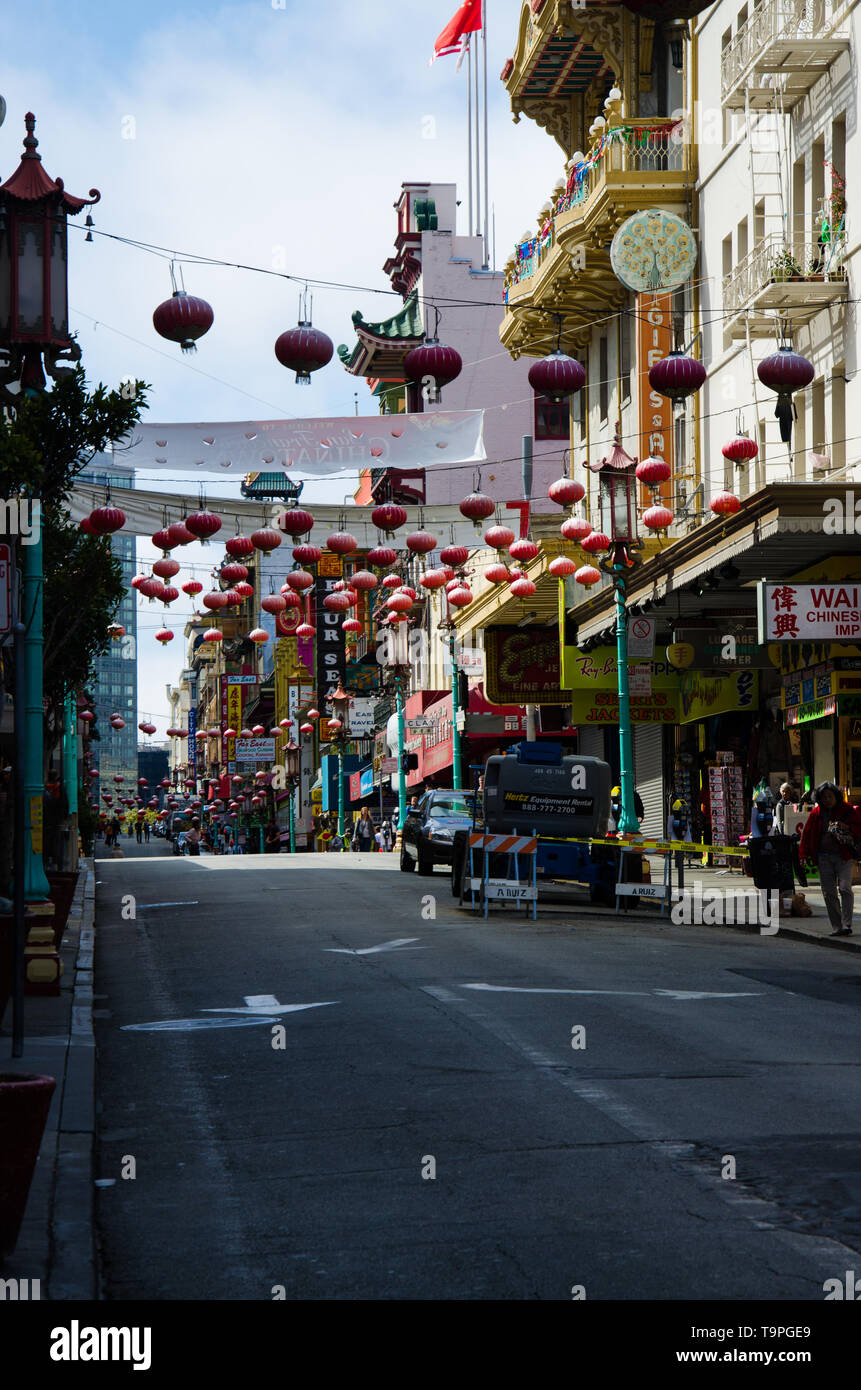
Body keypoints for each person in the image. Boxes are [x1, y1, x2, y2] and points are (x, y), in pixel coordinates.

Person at [799, 783, 861, 936]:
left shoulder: (847, 810)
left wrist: (847, 827)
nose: (827, 799)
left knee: (845, 888)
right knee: (828, 892)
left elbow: (859, 828)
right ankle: (837, 927)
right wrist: (803, 855)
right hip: (823, 858)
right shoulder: (816, 813)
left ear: (836, 796)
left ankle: (847, 924)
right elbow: (806, 835)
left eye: (829, 796)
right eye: (823, 797)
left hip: (843, 857)